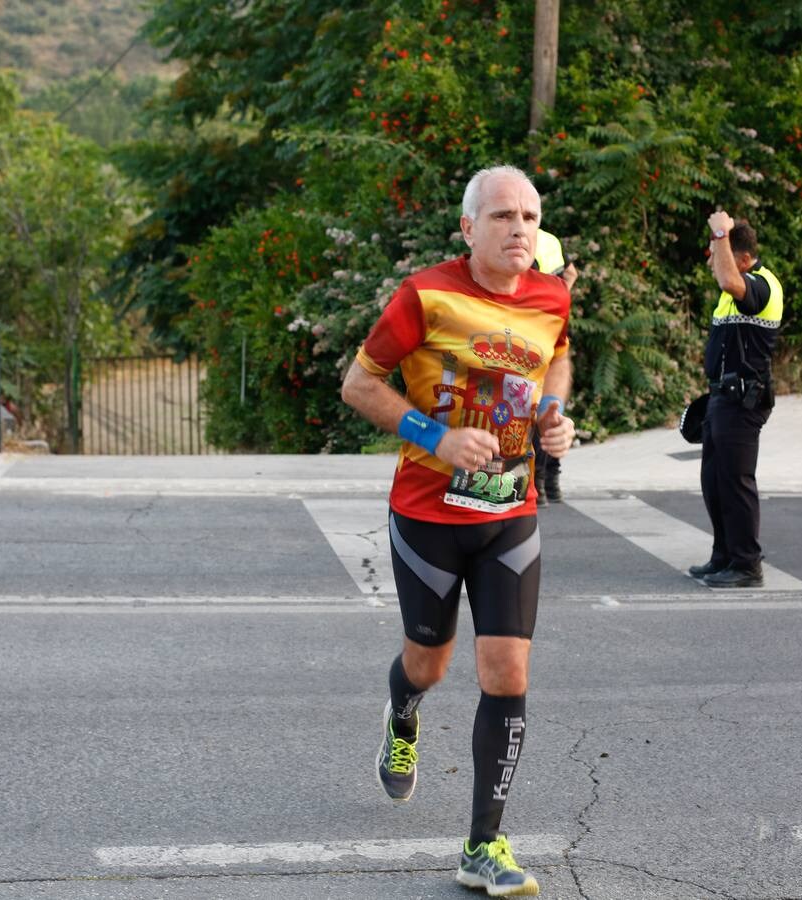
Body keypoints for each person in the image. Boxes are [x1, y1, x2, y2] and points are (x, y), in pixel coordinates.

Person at [342, 165, 574, 897]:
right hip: (428, 514)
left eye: (530, 217)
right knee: (430, 665)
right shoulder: (424, 294)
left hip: (510, 512)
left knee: (507, 670)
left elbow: (558, 357)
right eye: (503, 216)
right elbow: (359, 384)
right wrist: (435, 438)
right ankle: (402, 713)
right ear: (469, 228)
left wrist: (550, 416)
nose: (519, 229)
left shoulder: (550, 294)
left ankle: (484, 845)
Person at [689, 210, 782, 588]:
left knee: (736, 481)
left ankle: (747, 564)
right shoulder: (732, 294)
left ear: (743, 258)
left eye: (718, 251)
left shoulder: (761, 285)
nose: (712, 261)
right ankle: (724, 555)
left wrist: (719, 232)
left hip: (744, 400)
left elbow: (728, 277)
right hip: (721, 399)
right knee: (714, 480)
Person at [529, 230, 577, 506]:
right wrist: (560, 300)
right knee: (552, 407)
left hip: (530, 329)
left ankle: (537, 484)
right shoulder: (551, 241)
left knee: (532, 405)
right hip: (555, 327)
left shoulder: (516, 239)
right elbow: (571, 273)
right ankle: (552, 483)